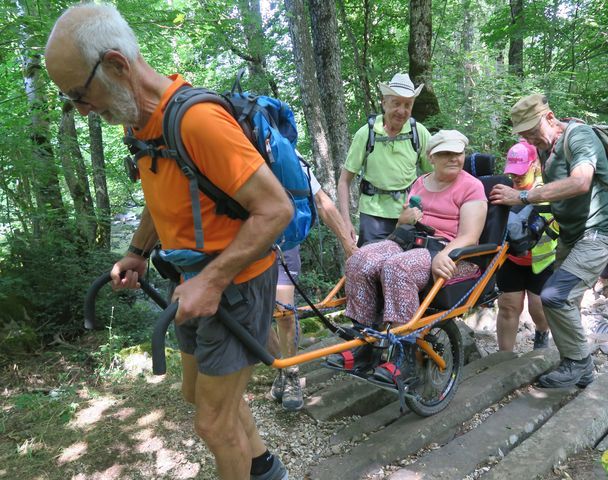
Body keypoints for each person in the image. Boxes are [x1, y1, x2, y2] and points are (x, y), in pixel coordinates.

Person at [45, 5, 293, 479]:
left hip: (235, 286)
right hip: (193, 284)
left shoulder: (197, 122)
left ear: (117, 65)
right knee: (197, 396)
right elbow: (167, 198)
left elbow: (275, 209)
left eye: (80, 93)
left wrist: (214, 281)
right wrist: (138, 253)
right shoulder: (138, 123)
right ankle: (263, 466)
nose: (81, 109)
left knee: (214, 423)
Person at [329, 130, 487, 384]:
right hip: (410, 241)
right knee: (359, 260)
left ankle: (406, 355)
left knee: (396, 267)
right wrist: (402, 220)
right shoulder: (420, 182)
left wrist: (444, 254)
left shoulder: (472, 186)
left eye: (458, 153)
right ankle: (365, 345)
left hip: (451, 252)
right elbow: (402, 224)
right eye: (445, 153)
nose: (454, 158)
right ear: (431, 157)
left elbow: (470, 236)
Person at [490, 94, 608, 389]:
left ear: (550, 117)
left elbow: (580, 182)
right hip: (571, 235)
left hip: (599, 232)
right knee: (564, 302)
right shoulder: (544, 148)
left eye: (531, 129)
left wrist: (522, 196)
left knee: (554, 296)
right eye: (522, 133)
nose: (527, 137)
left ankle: (578, 363)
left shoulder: (580, 137)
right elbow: (556, 192)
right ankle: (579, 367)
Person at [269, 160, 357, 411]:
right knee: (256, 316)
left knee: (283, 311)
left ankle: (292, 373)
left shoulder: (283, 150)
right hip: (244, 244)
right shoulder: (228, 140)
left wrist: (348, 244)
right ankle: (283, 367)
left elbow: (322, 201)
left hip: (282, 242)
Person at [338, 73, 431, 247]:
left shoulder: (419, 133)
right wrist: (346, 221)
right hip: (373, 215)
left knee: (404, 268)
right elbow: (344, 181)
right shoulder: (366, 133)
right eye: (396, 103)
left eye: (407, 105)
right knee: (373, 266)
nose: (402, 111)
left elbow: (434, 176)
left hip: (408, 213)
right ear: (384, 102)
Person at [496, 140, 555, 352]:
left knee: (538, 307)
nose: (516, 176)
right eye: (512, 172)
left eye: (521, 171)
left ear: (535, 165)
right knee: (508, 306)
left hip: (542, 259)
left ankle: (542, 332)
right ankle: (503, 358)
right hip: (510, 258)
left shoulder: (547, 188)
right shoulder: (503, 189)